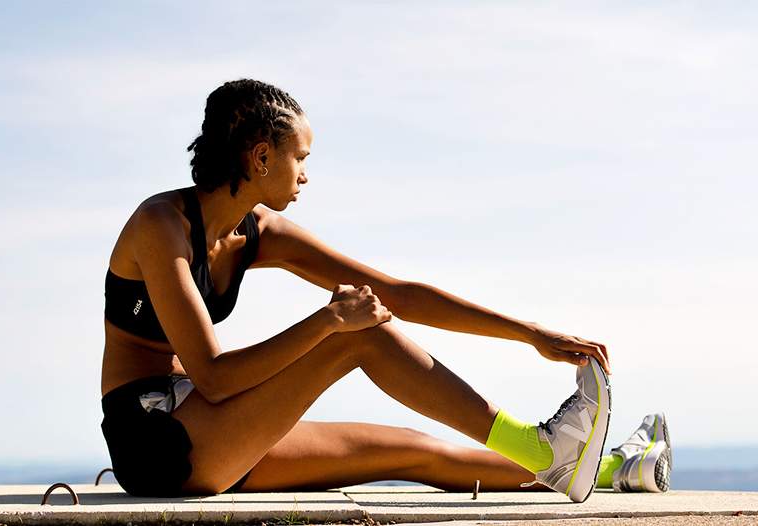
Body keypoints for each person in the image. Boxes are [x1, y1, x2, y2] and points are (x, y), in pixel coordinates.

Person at [100, 79, 670, 502]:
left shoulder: (258, 233)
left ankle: (608, 467)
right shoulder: (161, 226)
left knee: (414, 448)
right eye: (300, 158)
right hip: (157, 441)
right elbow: (216, 376)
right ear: (261, 156)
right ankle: (543, 447)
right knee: (360, 336)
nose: (305, 174)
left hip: (208, 425)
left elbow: (396, 293)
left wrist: (527, 334)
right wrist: (328, 323)